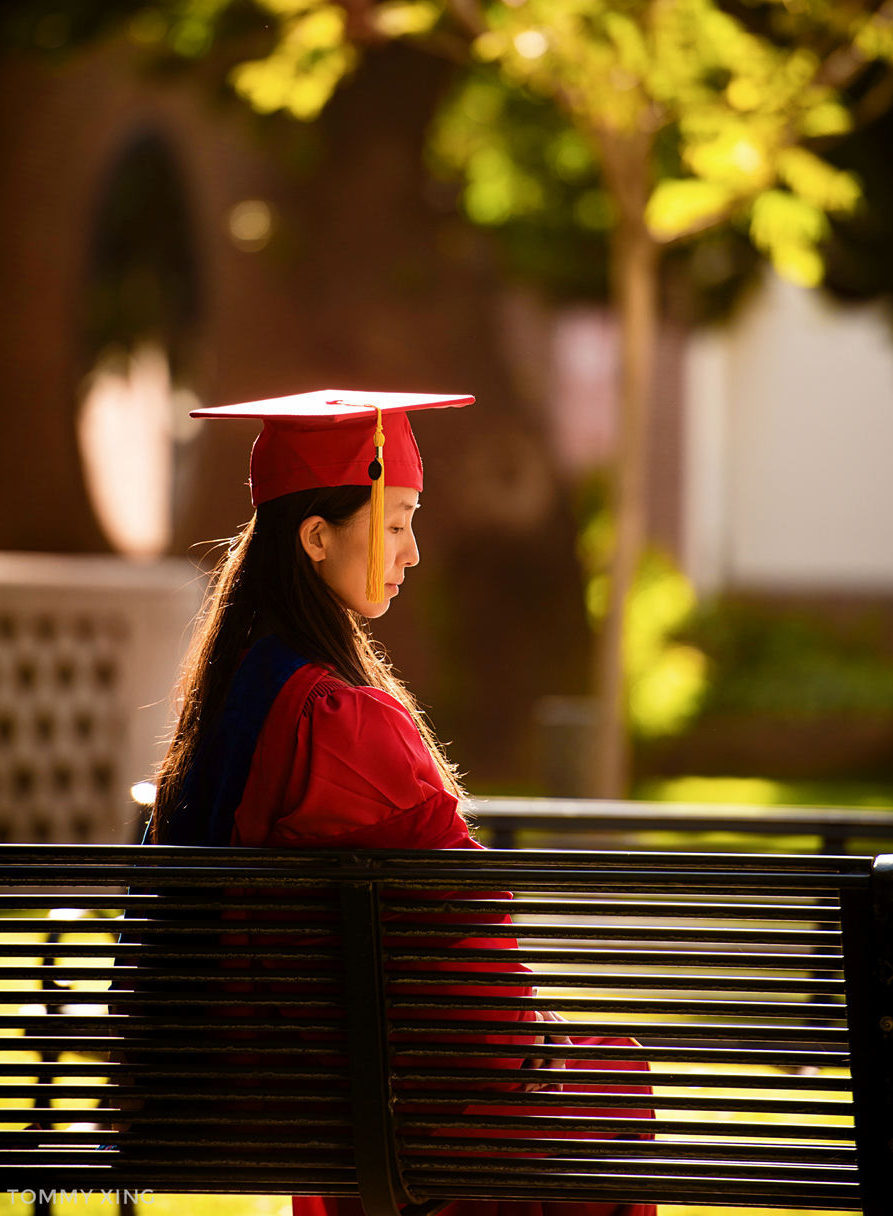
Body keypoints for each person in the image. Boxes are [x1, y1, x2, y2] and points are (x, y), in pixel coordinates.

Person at [150, 388, 654, 1216]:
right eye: (393, 524)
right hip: (394, 1123)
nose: (411, 553)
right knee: (607, 1075)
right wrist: (546, 1054)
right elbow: (473, 978)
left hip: (292, 1101)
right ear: (316, 536)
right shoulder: (339, 720)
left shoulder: (235, 694)